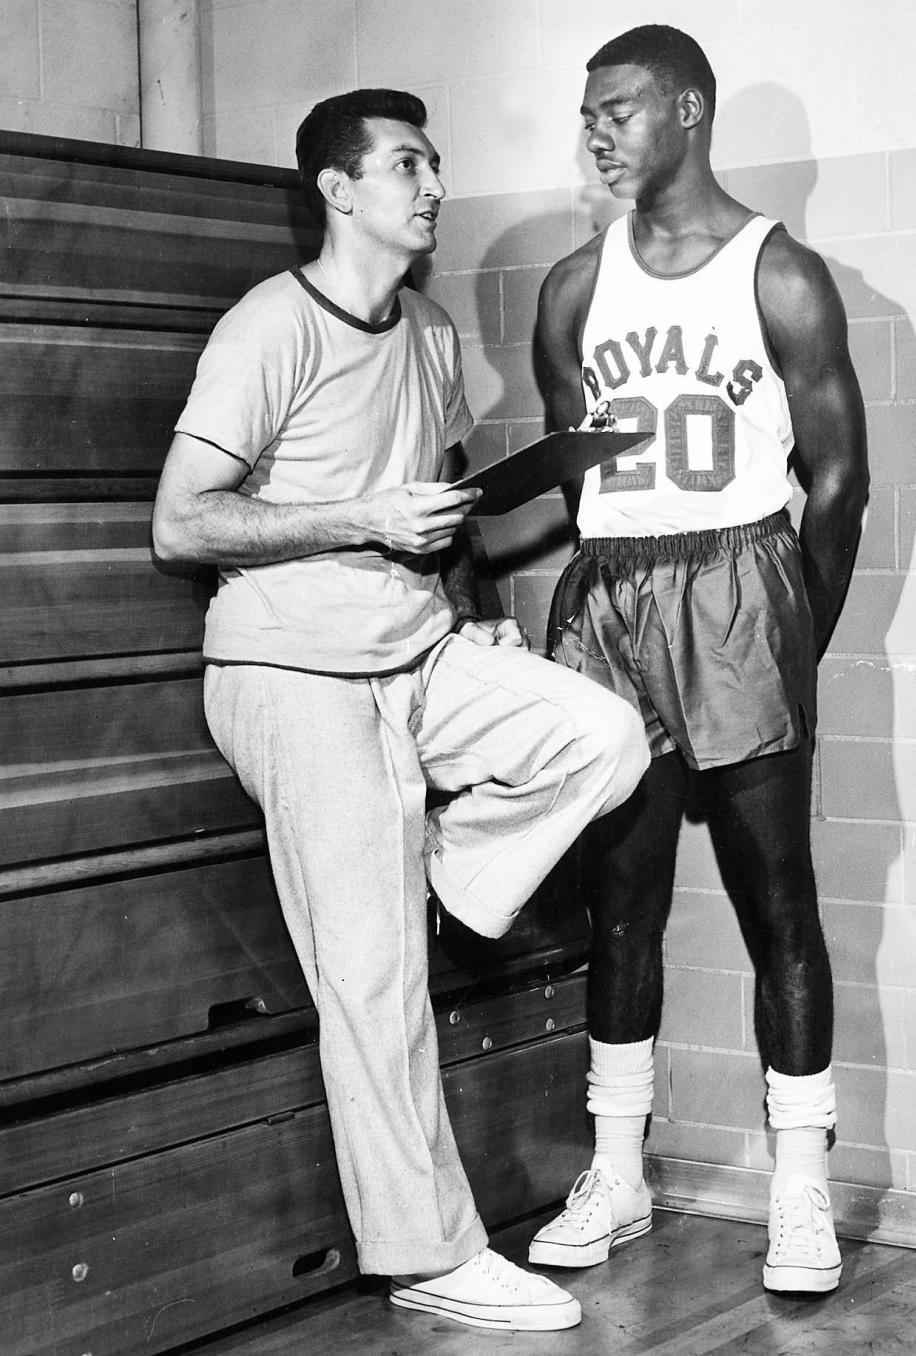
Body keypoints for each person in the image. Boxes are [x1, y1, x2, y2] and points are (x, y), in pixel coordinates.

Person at [151, 88, 649, 1333]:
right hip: (290, 674)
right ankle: (428, 1252)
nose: (433, 187)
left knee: (603, 734)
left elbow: (445, 505)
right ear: (339, 189)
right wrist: (358, 520)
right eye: (409, 166)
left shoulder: (427, 331)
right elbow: (183, 521)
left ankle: (442, 875)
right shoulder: (269, 326)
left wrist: (468, 594)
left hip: (415, 652)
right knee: (374, 983)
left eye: (435, 166)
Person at [527, 26, 868, 1295]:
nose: (598, 132)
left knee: (781, 902)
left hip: (740, 583)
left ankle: (798, 1192)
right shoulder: (572, 287)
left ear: (688, 108)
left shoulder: (780, 275)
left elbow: (841, 481)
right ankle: (620, 1172)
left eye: (617, 109)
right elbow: (576, 476)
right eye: (587, 116)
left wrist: (791, 633)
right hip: (616, 595)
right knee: (622, 903)